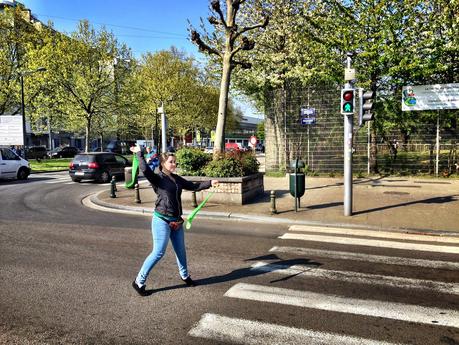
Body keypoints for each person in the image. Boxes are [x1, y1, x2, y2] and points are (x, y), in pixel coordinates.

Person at [130, 145, 219, 296]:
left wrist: (210, 182)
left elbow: (193, 186)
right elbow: (145, 170)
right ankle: (139, 281)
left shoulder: (177, 179)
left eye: (175, 162)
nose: (174, 164)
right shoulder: (157, 178)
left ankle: (185, 276)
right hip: (162, 220)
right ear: (163, 163)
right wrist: (139, 153)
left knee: (181, 251)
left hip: (177, 222)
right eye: (171, 161)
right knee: (158, 252)